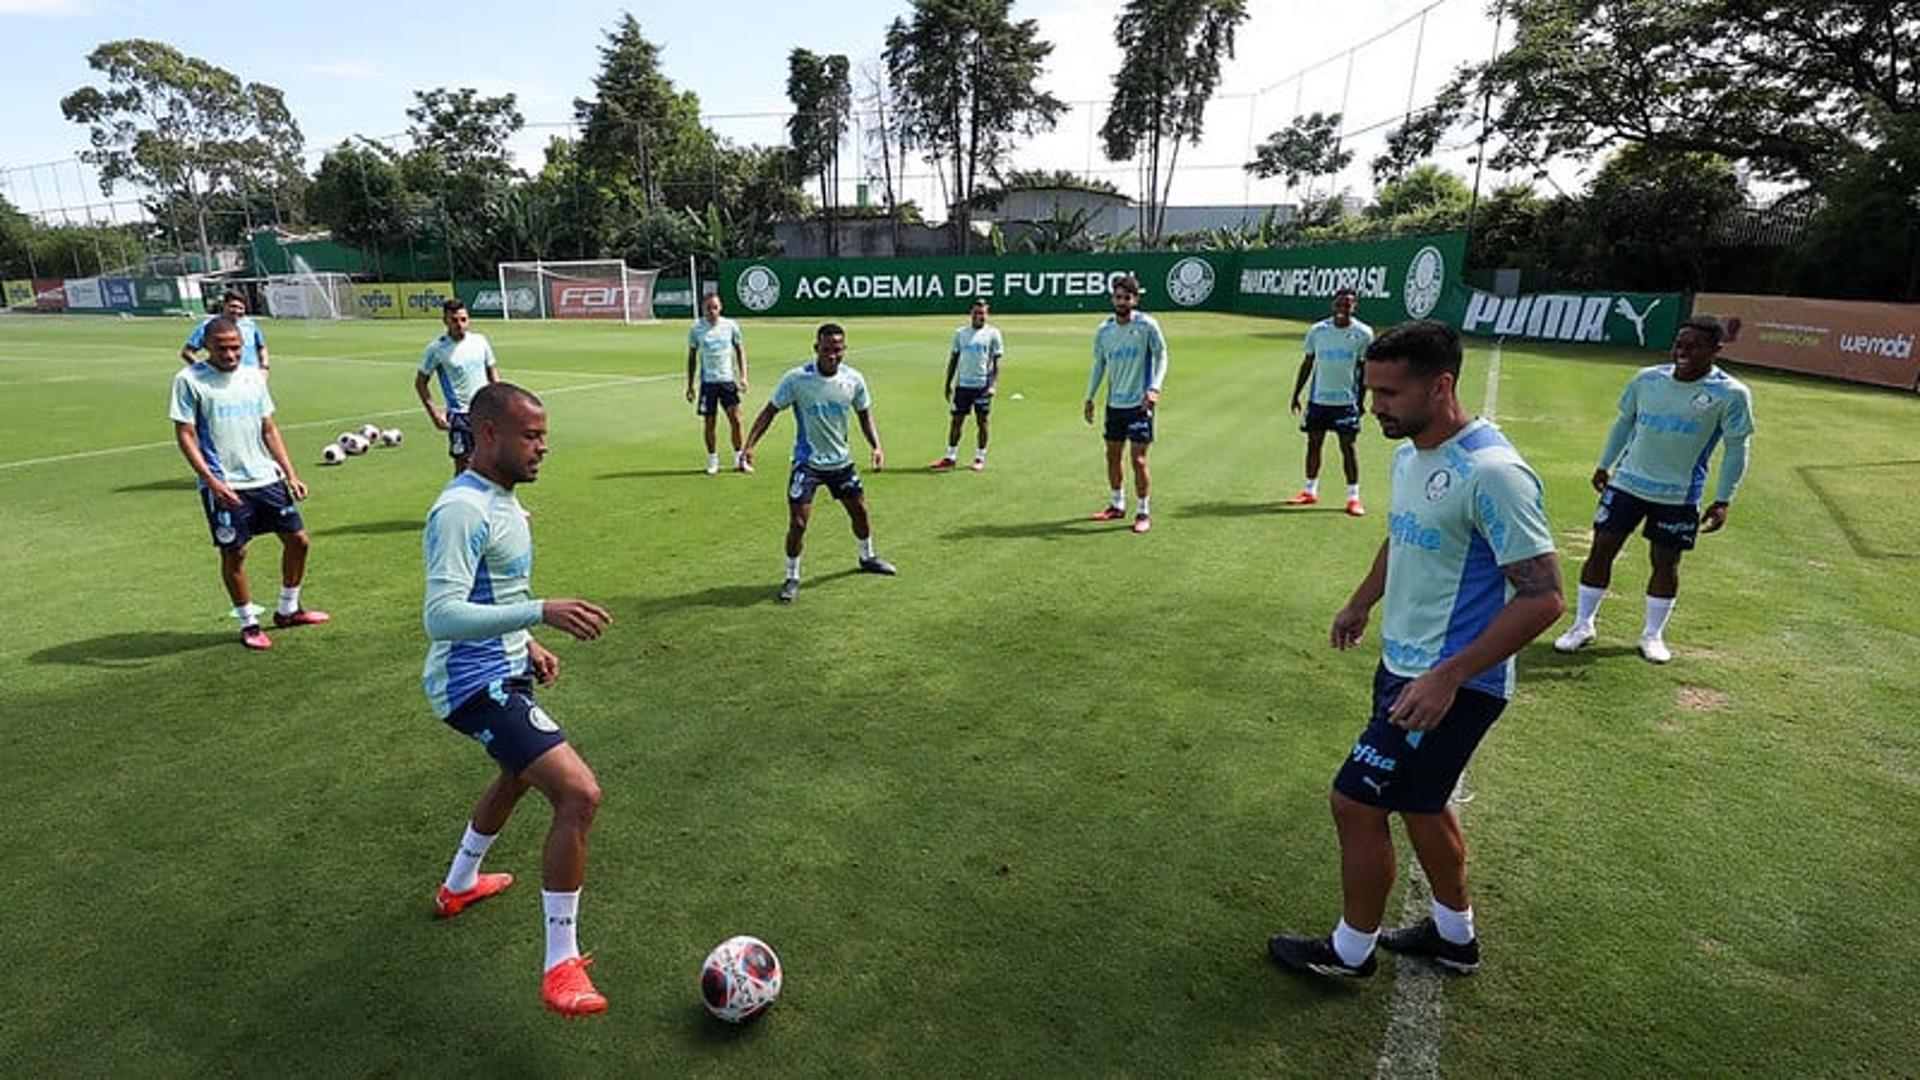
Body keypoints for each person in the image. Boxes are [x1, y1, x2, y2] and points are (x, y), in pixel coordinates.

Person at [1267, 320, 1563, 980]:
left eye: (1391, 393)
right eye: (1372, 391)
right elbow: (1402, 537)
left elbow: (1544, 598)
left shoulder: (1494, 474)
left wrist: (1448, 677)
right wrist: (1360, 601)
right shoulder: (1412, 453)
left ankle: (1350, 953)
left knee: (1355, 802)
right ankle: (1455, 938)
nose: (1377, 407)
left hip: (1447, 687)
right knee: (1424, 805)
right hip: (1404, 667)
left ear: (1442, 385)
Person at [421, 381, 615, 1018]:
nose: (543, 447)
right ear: (489, 434)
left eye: (543, 435)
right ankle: (560, 966)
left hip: (505, 667)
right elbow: (442, 615)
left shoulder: (501, 502)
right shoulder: (461, 509)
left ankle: (458, 887)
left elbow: (492, 590)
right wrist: (542, 611)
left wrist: (526, 639)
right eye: (531, 436)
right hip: (473, 685)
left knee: (517, 775)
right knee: (578, 794)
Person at [1554, 316, 1754, 664]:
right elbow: (1624, 423)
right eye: (1680, 342)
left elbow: (1737, 448)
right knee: (1601, 549)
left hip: (1678, 495)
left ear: (1715, 350)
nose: (1683, 350)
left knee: (1665, 563)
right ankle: (1583, 625)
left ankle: (1652, 634)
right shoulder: (1646, 380)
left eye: (1694, 345)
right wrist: (1605, 464)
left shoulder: (1731, 394)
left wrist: (1723, 499)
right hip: (1627, 484)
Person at [169, 317, 327, 650]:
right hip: (225, 484)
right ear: (207, 347)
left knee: (298, 541)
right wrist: (210, 481)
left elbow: (269, 428)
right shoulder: (189, 380)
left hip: (265, 478)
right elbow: (185, 436)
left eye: (236, 347)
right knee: (236, 551)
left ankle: (288, 609)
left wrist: (291, 473)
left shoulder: (254, 378)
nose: (230, 355)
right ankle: (249, 623)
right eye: (222, 348)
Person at [741, 323, 896, 603]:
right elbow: (770, 411)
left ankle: (867, 556)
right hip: (807, 464)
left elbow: (864, 415)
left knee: (860, 512)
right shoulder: (797, 380)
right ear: (816, 349)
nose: (832, 355)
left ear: (844, 349)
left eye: (837, 350)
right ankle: (792, 576)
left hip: (841, 463)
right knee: (798, 524)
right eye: (826, 349)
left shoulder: (854, 380)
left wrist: (876, 445)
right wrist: (750, 444)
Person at [1082, 274, 1168, 534]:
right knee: (1112, 455)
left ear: (1135, 299)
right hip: (1114, 405)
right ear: (1113, 298)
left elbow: (1163, 355)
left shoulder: (1147, 326)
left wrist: (1154, 388)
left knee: (1138, 460)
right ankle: (1117, 504)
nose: (1122, 302)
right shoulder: (1104, 331)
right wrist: (1089, 397)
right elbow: (1099, 364)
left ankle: (1143, 511)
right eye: (1118, 297)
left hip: (1140, 405)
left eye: (1126, 297)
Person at [1284, 288, 1373, 515]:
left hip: (1345, 402)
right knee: (1314, 444)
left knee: (1348, 448)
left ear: (1355, 306)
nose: (1343, 308)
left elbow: (1364, 371)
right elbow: (1308, 363)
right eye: (1340, 304)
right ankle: (1309, 491)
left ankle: (1353, 498)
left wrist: (1362, 401)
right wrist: (1296, 394)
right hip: (1319, 401)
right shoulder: (1318, 331)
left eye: (1348, 304)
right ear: (1333, 305)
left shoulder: (1363, 334)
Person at [415, 298, 499, 476]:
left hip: (484, 412)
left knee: (491, 461)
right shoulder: (437, 349)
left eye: (463, 319)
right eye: (454, 320)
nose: (460, 324)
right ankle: (458, 502)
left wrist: (500, 404)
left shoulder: (480, 341)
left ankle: (491, 502)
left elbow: (492, 373)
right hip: (460, 416)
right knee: (463, 466)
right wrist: (434, 414)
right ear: (445, 321)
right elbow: (420, 382)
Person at [928, 298, 1005, 472]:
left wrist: (993, 385)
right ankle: (950, 457)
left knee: (982, 422)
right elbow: (954, 358)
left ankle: (980, 457)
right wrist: (947, 383)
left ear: (987, 314)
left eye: (983, 313)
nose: (980, 316)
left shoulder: (993, 334)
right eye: (977, 313)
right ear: (971, 313)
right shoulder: (961, 333)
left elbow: (997, 362)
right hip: (962, 385)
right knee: (956, 421)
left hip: (982, 385)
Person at [686, 292, 752, 475]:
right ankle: (713, 459)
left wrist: (743, 376)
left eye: (715, 307)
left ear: (720, 307)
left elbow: (740, 350)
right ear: (703, 309)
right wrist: (690, 385)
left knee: (737, 420)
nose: (712, 311)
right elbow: (691, 357)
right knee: (709, 423)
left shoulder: (730, 326)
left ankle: (740, 459)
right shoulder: (697, 329)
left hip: (727, 381)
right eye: (708, 308)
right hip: (708, 383)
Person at [182, 290, 270, 375]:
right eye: (233, 306)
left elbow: (261, 347)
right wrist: (204, 370)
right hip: (221, 378)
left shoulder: (250, 325)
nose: (237, 311)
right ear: (224, 305)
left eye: (241, 308)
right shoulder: (209, 325)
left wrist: (264, 368)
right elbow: (187, 352)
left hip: (250, 377)